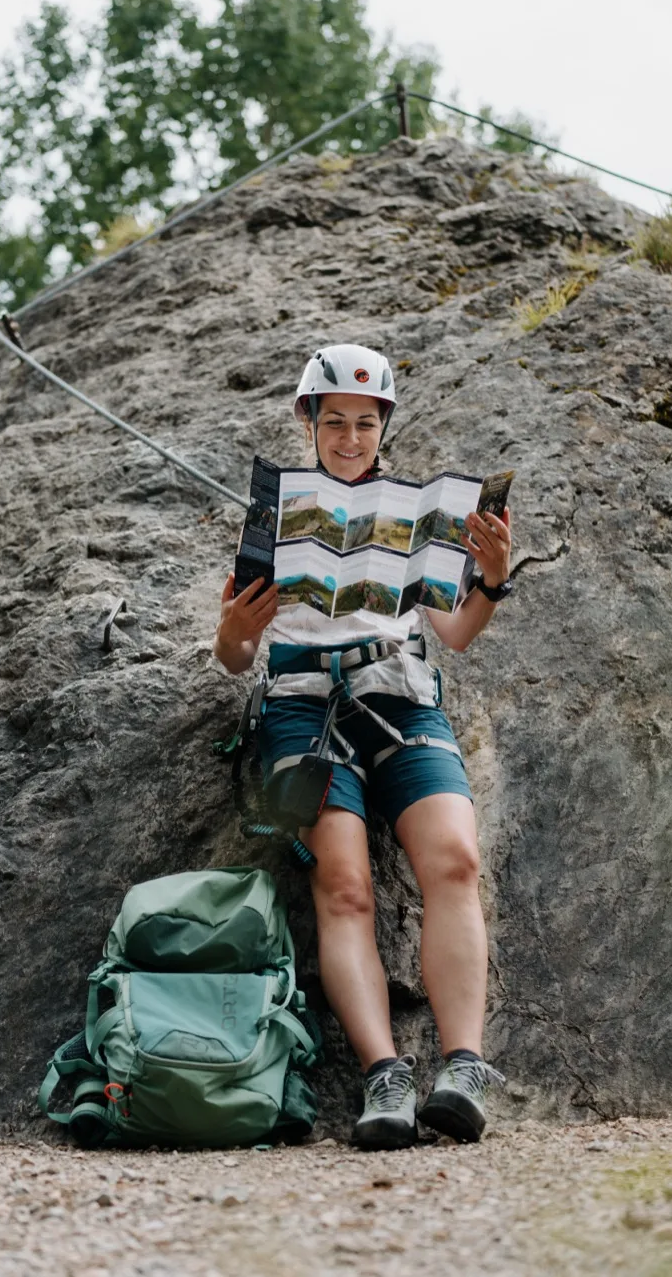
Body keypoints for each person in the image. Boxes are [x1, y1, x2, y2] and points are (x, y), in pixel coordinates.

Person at [213, 343, 517, 1150]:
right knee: (344, 885)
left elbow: (455, 631)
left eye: (366, 423)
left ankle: (463, 1066)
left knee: (454, 858)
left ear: (385, 426)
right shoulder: (274, 515)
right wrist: (233, 634)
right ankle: (385, 1072)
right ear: (308, 420)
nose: (351, 437)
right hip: (302, 706)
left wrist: (487, 577)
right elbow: (237, 657)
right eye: (336, 421)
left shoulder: (419, 516)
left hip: (400, 694)